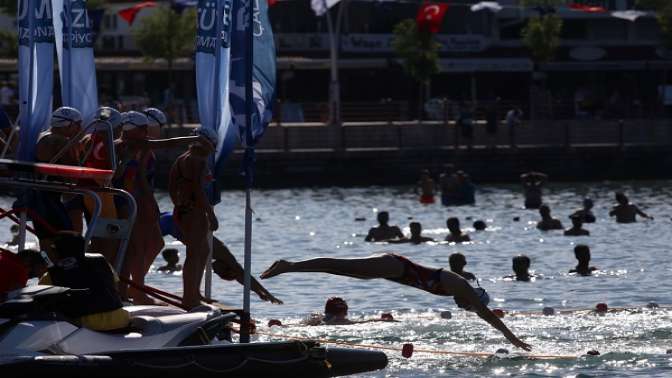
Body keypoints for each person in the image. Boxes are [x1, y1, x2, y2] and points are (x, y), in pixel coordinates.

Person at [260, 253, 532, 351]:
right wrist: (513, 339)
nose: (464, 308)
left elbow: (482, 312)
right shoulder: (460, 286)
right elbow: (488, 315)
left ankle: (290, 266)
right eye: (467, 306)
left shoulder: (456, 291)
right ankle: (289, 265)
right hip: (394, 265)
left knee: (339, 269)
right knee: (337, 265)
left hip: (392, 273)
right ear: (473, 298)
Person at [159, 212, 282, 304]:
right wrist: (264, 293)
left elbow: (239, 274)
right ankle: (191, 296)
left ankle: (194, 294)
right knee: (195, 257)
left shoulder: (214, 252)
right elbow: (241, 273)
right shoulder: (222, 253)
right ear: (225, 268)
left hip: (171, 219)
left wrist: (262, 292)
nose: (215, 271)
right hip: (172, 222)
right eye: (219, 272)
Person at [169, 127, 219, 309]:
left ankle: (194, 293)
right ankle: (189, 298)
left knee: (203, 251)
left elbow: (171, 186)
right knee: (194, 253)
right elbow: (198, 189)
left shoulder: (182, 158)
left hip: (187, 209)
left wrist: (178, 205)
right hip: (193, 210)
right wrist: (210, 213)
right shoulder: (195, 160)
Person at [39, 232, 129, 331]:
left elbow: (43, 303)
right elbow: (115, 287)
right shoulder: (102, 262)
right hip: (119, 320)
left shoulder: (50, 275)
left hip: (86, 325)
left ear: (56, 252)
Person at [32, 107, 83, 251]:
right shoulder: (62, 142)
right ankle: (59, 272)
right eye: (78, 125)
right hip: (49, 199)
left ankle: (45, 271)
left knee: (46, 241)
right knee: (68, 240)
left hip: (36, 196)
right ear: (70, 125)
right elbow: (74, 176)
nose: (80, 129)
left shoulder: (42, 135)